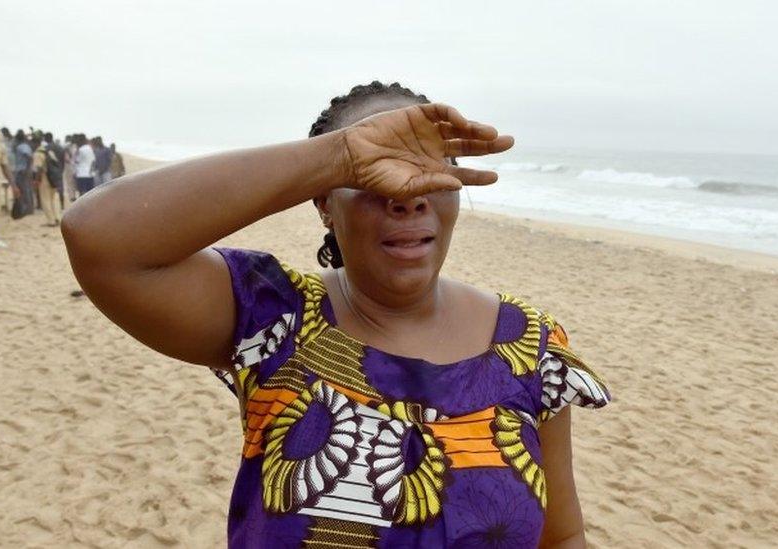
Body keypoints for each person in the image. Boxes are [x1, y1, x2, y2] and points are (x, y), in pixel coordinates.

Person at [62, 81, 610, 548]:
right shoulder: (272, 316)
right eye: (378, 172)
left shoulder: (532, 347)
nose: (408, 194)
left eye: (428, 167)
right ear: (324, 202)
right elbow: (100, 238)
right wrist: (339, 156)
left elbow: (560, 536)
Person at [31, 136, 61, 226]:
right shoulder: (49, 151)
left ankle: (51, 221)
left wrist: (36, 180)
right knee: (54, 199)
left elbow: (39, 168)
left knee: (45, 200)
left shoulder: (37, 153)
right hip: (54, 179)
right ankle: (57, 218)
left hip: (45, 178)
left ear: (34, 143)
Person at [12, 130, 35, 217]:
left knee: (24, 190)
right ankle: (29, 208)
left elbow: (29, 157)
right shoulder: (26, 146)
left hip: (22, 171)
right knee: (27, 190)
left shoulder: (21, 147)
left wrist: (27, 169)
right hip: (24, 171)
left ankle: (27, 209)